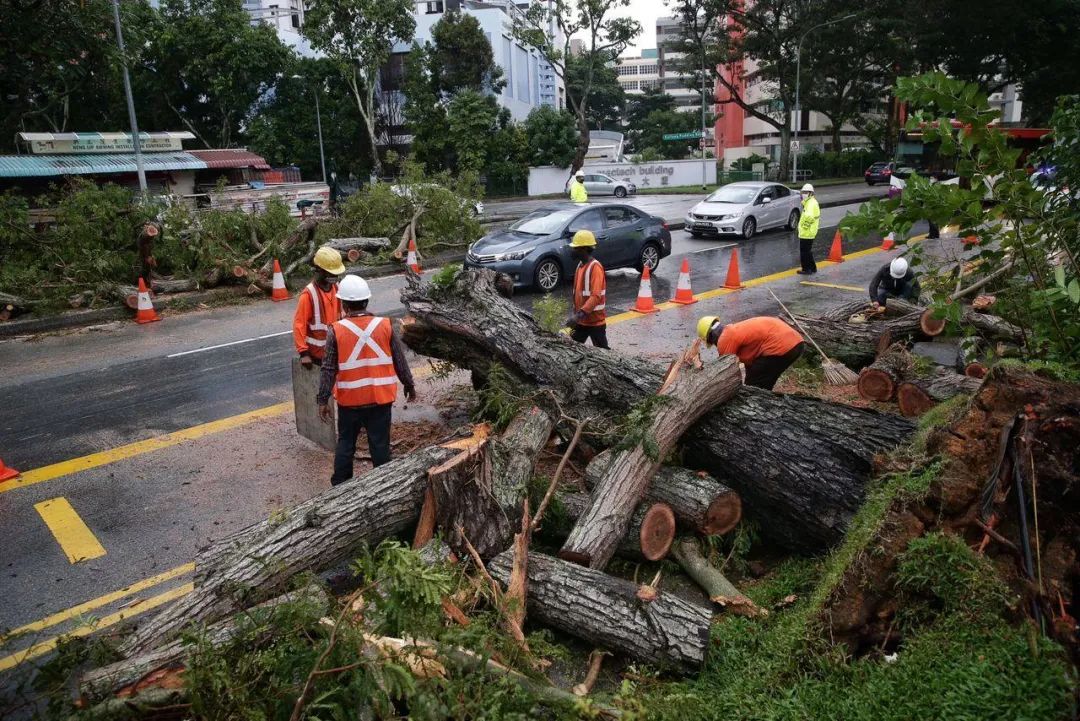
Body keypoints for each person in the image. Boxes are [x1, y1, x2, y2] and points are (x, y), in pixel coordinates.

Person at [317, 274, 417, 485]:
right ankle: (384, 486)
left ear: (344, 304)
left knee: (346, 444)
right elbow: (399, 359)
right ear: (367, 301)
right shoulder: (384, 325)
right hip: (380, 399)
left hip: (350, 401)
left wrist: (323, 399)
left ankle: (340, 486)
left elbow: (328, 368)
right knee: (380, 446)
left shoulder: (336, 330)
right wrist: (409, 383)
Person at [697, 315, 805, 390]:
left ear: (711, 337)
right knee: (763, 382)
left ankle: (758, 410)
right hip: (795, 343)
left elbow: (724, 371)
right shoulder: (734, 330)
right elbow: (750, 364)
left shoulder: (725, 339)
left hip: (780, 346)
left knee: (753, 389)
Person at [293, 246, 346, 366]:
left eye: (336, 273)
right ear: (318, 269)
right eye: (330, 272)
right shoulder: (309, 295)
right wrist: (303, 353)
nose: (334, 276)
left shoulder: (337, 287)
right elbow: (299, 324)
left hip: (336, 350)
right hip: (318, 356)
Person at [568, 229, 608, 348]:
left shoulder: (595, 267)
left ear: (584, 249)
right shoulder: (580, 266)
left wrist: (578, 316)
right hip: (582, 322)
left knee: (603, 354)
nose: (572, 251)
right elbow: (578, 295)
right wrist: (576, 315)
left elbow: (595, 296)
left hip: (595, 322)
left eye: (575, 248)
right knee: (572, 350)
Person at [796, 183, 820, 275]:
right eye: (803, 192)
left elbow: (809, 217)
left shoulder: (811, 204)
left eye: (806, 192)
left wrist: (804, 227)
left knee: (804, 252)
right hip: (810, 231)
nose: (804, 194)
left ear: (811, 193)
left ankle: (806, 269)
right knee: (808, 251)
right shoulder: (810, 202)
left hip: (807, 232)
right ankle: (813, 268)